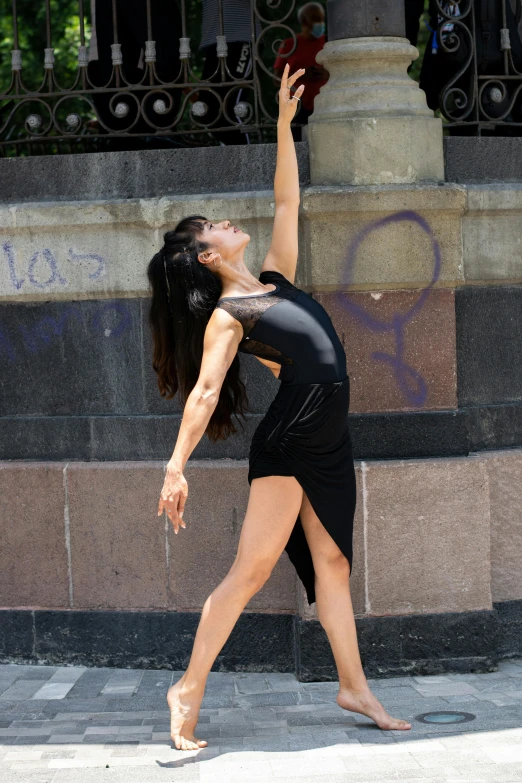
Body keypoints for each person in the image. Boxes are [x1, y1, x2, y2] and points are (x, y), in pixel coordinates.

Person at [146, 64, 412, 751]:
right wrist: (175, 465)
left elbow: (288, 203)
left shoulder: (271, 278)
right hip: (294, 436)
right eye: (212, 229)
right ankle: (188, 688)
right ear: (206, 258)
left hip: (327, 431)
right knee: (253, 569)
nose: (226, 224)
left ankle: (354, 687)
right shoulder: (230, 314)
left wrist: (283, 128)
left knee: (333, 566)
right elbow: (205, 392)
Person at [197, 0, 262, 145]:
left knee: (233, 107)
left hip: (242, 38)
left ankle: (246, 159)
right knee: (207, 109)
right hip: (213, 44)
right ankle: (234, 154)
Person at [273, 2, 329, 140]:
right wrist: (303, 76)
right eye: (315, 18)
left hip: (326, 105)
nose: (320, 23)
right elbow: (276, 79)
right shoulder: (289, 45)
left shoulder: (329, 42)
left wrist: (327, 74)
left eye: (321, 19)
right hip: (296, 107)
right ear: (304, 21)